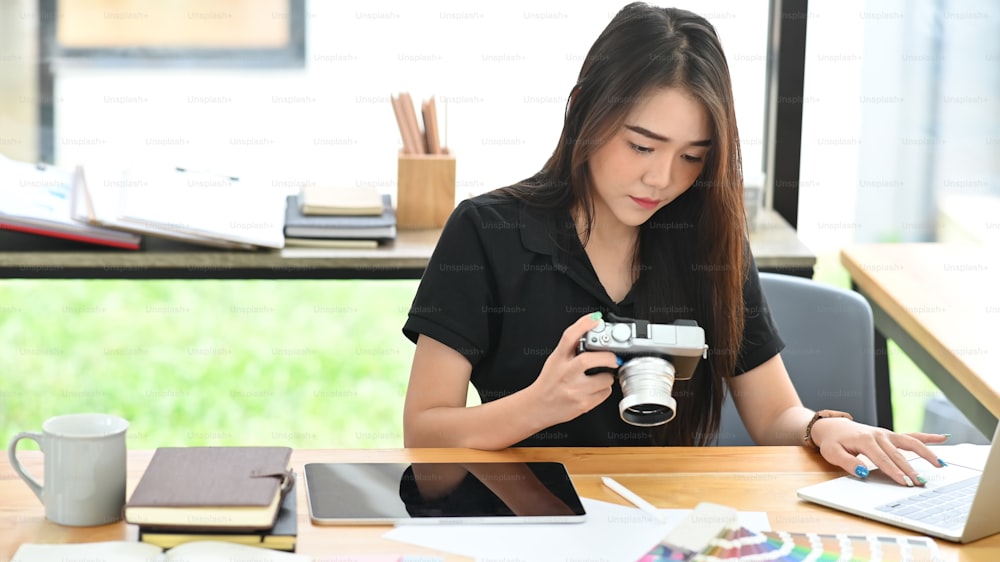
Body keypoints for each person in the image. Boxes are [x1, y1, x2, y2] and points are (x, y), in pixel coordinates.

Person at [401, 2, 947, 487]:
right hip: (527, 519)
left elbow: (774, 416)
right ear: (582, 111)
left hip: (669, 523)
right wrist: (539, 406)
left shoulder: (708, 241)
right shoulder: (486, 232)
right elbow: (423, 431)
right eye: (642, 146)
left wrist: (821, 428)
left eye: (692, 156)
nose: (662, 178)